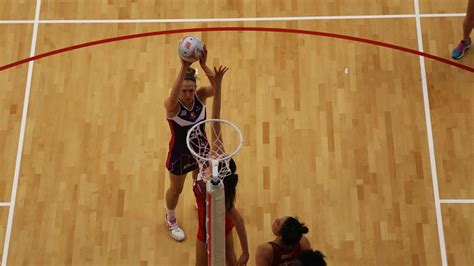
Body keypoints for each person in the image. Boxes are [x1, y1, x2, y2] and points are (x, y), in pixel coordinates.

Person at [193, 66, 250, 266]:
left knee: (232, 262)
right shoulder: (214, 156)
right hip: (203, 228)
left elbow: (240, 221)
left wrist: (246, 253)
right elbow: (215, 119)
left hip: (221, 226)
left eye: (212, 164)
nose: (211, 158)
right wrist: (218, 84)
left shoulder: (222, 195)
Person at [164, 45, 215, 241]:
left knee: (200, 180)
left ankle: (198, 198)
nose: (187, 94)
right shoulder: (172, 106)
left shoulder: (200, 96)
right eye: (184, 90)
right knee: (176, 189)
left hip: (200, 148)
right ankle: (170, 219)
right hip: (179, 154)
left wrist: (204, 65)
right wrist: (183, 67)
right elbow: (172, 96)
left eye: (190, 90)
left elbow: (215, 87)